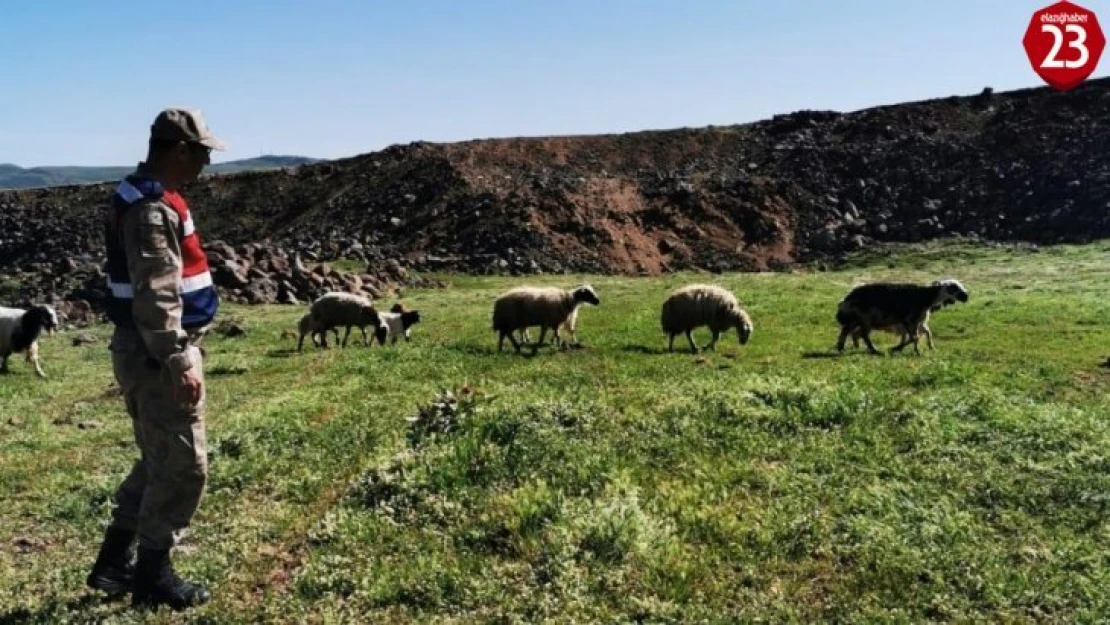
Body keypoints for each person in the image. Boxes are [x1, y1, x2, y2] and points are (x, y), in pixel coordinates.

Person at [86, 107, 224, 611]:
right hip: (158, 353)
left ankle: (113, 563)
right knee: (185, 467)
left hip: (145, 351)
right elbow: (157, 294)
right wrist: (177, 356)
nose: (207, 163)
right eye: (202, 152)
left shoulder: (146, 196)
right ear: (178, 149)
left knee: (158, 458)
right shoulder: (150, 209)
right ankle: (152, 575)